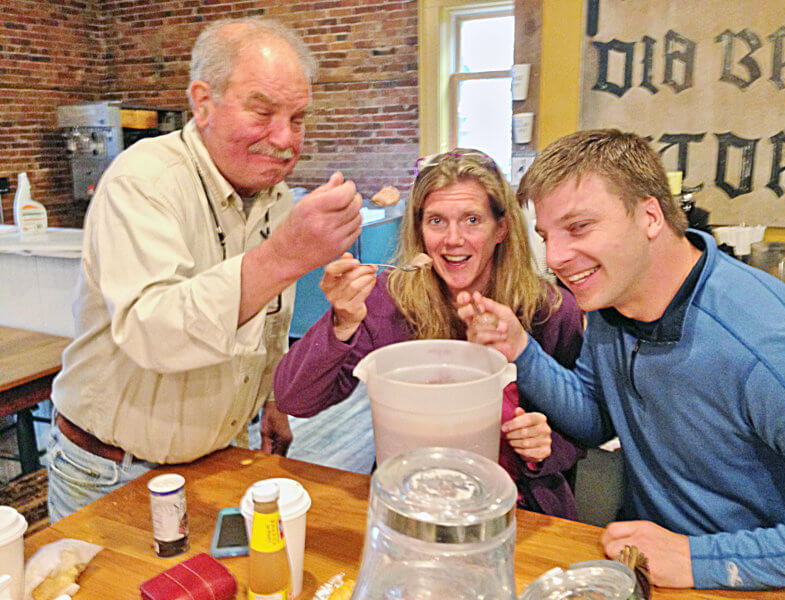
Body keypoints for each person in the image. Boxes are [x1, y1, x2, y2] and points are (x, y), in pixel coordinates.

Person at [46, 18, 363, 520]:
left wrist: (273, 399)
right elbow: (153, 331)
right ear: (202, 101)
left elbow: (270, 318)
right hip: (110, 472)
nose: (284, 140)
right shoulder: (144, 180)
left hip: (216, 460)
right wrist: (283, 256)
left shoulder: (275, 198)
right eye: (262, 112)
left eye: (298, 118)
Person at [457, 129, 785, 590]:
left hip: (753, 579)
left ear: (650, 216)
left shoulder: (764, 342)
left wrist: (698, 559)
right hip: (649, 566)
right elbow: (596, 418)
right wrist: (520, 348)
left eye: (579, 227)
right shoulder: (612, 303)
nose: (555, 257)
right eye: (546, 236)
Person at [274, 149, 586, 518]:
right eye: (436, 221)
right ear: (420, 232)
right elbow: (295, 398)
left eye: (472, 220)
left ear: (501, 228)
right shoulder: (388, 301)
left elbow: (582, 428)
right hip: (412, 499)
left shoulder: (550, 310)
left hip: (518, 506)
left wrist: (543, 445)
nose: (453, 239)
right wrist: (340, 323)